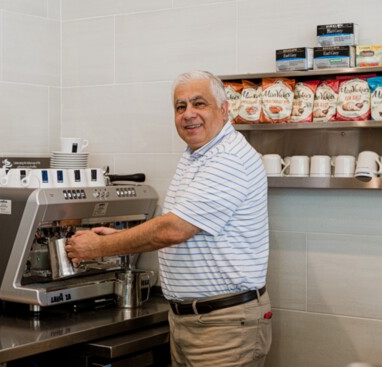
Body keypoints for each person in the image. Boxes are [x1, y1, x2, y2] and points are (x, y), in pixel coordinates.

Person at [65, 70, 271, 367]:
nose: (189, 114)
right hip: (192, 321)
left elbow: (174, 229)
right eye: (180, 107)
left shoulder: (229, 158)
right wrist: (120, 239)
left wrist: (99, 248)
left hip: (224, 327)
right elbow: (178, 222)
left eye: (199, 104)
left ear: (224, 110)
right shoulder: (196, 155)